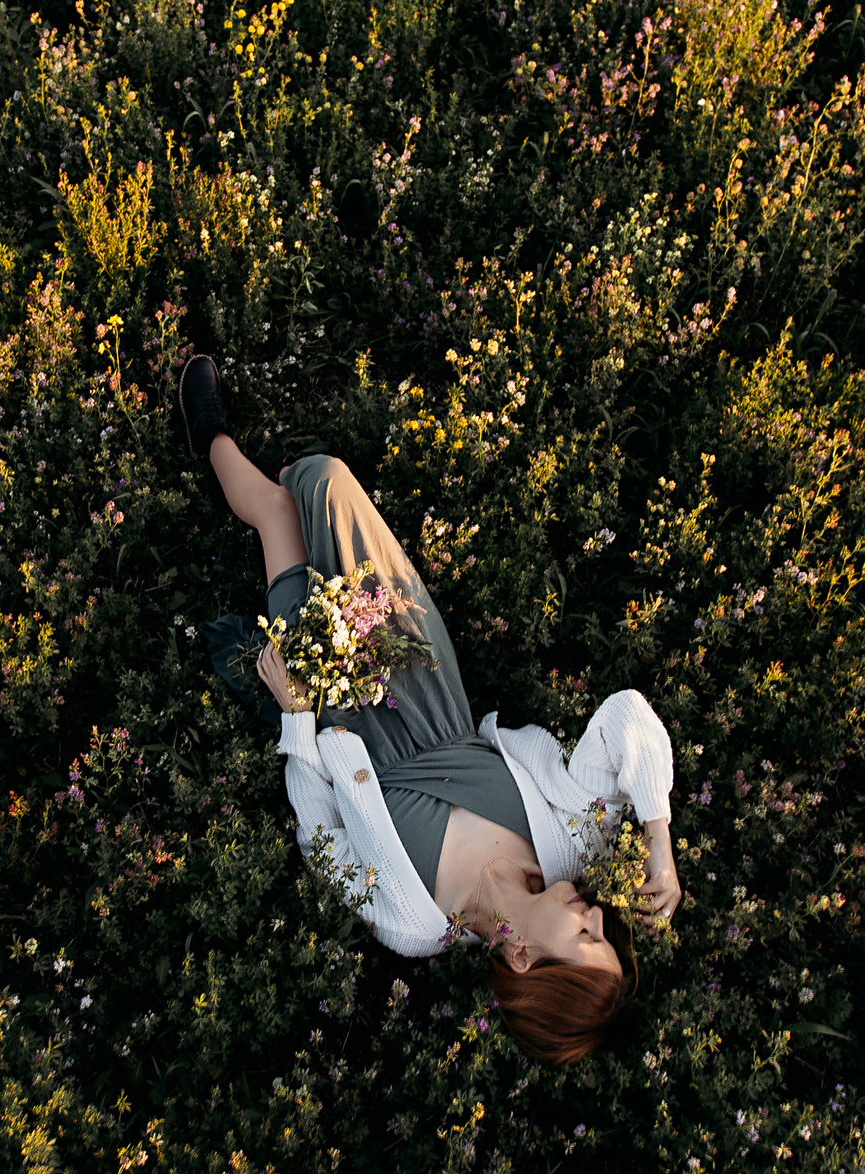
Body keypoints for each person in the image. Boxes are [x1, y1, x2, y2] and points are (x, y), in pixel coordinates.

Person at [176, 353, 683, 1066]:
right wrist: (658, 835)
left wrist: (296, 712)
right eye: (604, 929)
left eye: (588, 938)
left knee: (276, 517)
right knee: (323, 478)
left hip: (334, 706)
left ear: (527, 960)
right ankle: (284, 466)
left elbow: (319, 827)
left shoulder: (413, 924)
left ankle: (211, 435)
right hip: (417, 675)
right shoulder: (577, 839)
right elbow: (627, 716)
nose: (598, 913)